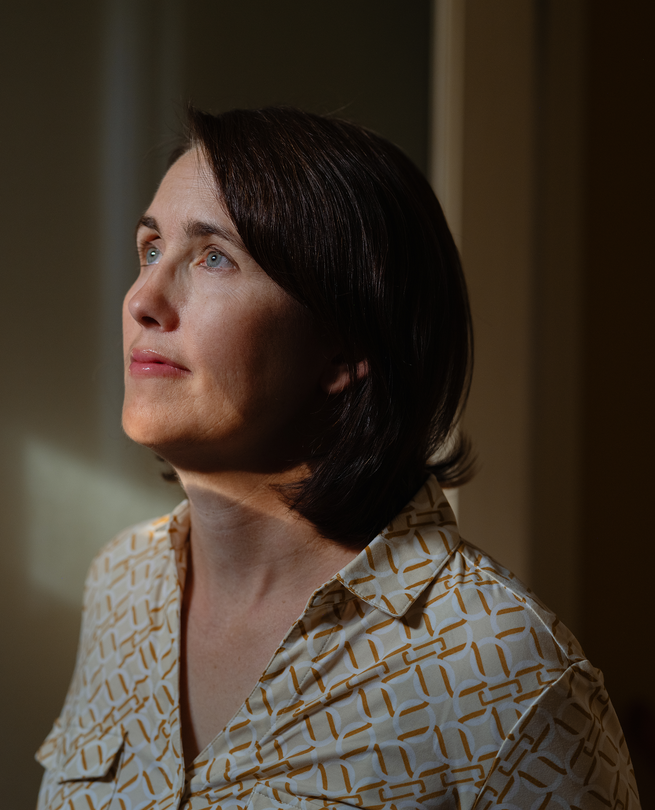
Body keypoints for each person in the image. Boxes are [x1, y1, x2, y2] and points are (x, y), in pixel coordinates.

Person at [36, 107, 640, 809]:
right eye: (149, 250)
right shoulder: (121, 585)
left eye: (214, 257)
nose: (143, 298)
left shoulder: (503, 666)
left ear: (346, 347)